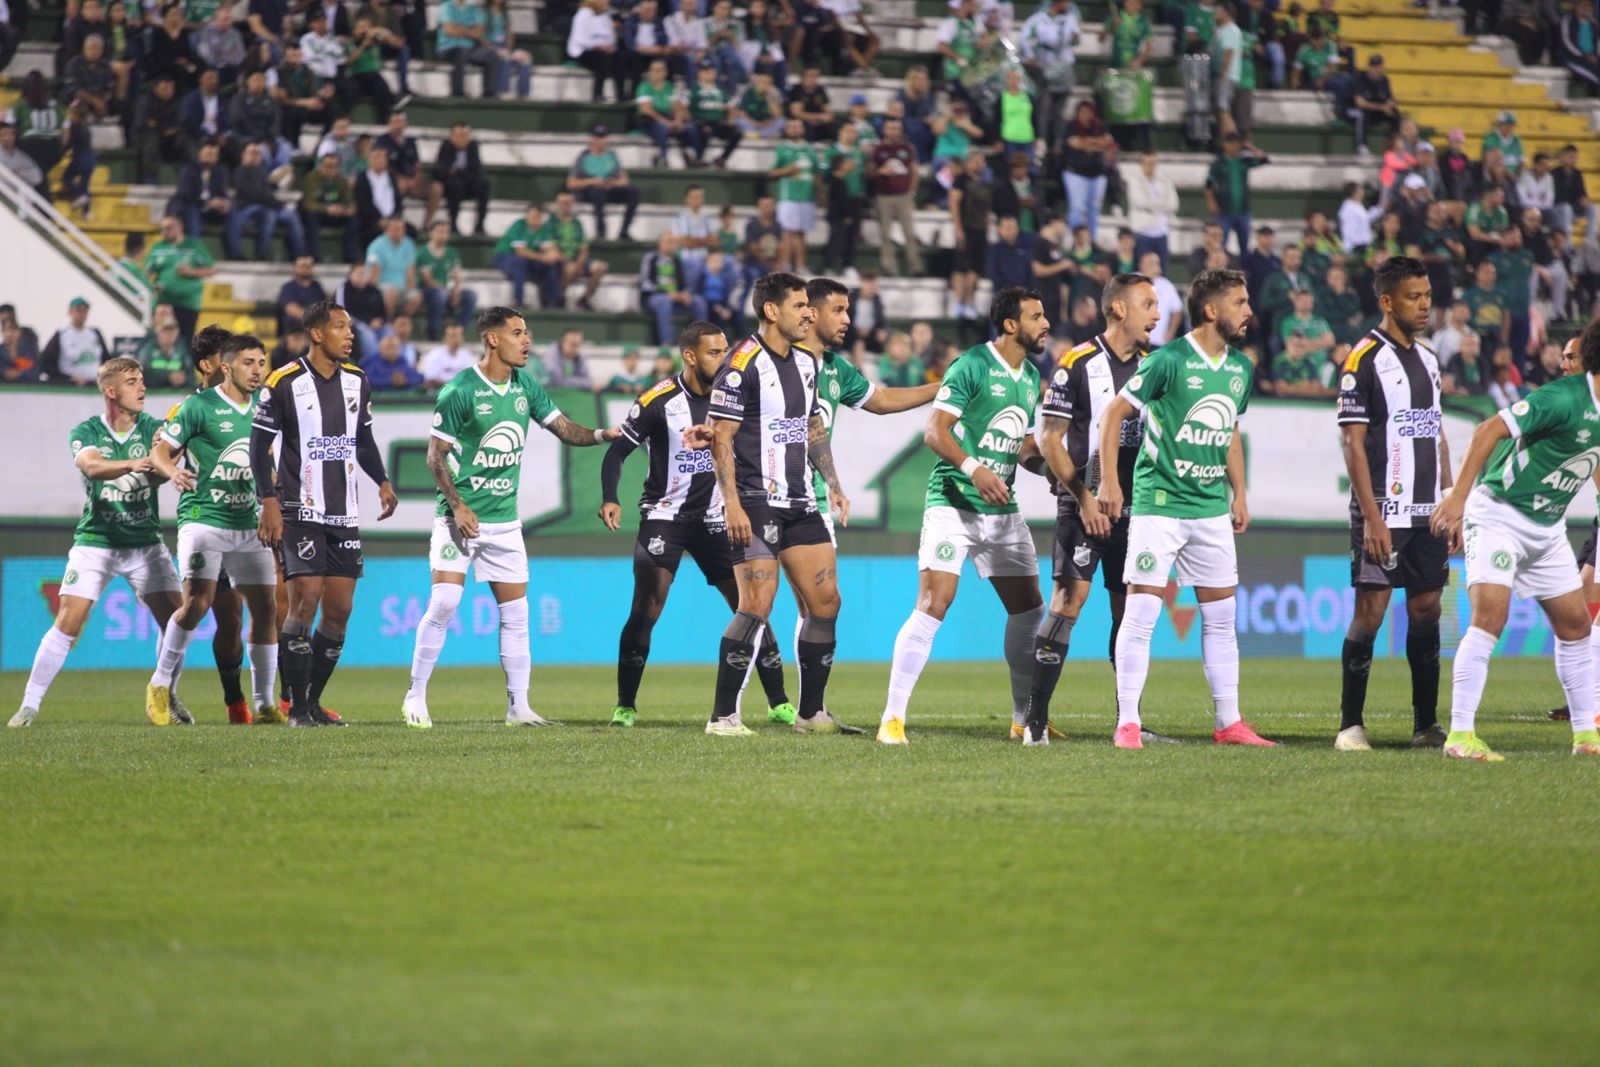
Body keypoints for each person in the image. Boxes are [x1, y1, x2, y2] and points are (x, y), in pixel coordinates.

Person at [401, 307, 617, 728]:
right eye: (517, 333)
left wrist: (599, 436)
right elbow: (434, 457)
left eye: (527, 333)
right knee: (444, 602)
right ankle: (415, 695)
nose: (527, 341)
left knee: (516, 613)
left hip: (504, 521)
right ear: (493, 339)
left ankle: (519, 706)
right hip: (457, 519)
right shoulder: (460, 389)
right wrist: (458, 505)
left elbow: (563, 428)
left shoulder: (525, 386)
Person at [1093, 269, 1274, 748]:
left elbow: (1229, 430)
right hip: (1160, 505)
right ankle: (1128, 722)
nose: (1248, 311)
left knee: (1220, 616)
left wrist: (1241, 493)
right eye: (1239, 302)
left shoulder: (1240, 368)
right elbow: (1113, 415)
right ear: (1212, 310)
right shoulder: (1168, 361)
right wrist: (1111, 480)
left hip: (1211, 507)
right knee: (1142, 611)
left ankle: (1229, 722)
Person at [598, 322, 797, 726]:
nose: (722, 360)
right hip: (665, 518)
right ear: (689, 356)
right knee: (646, 609)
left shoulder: (739, 397)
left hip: (717, 519)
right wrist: (610, 497)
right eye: (713, 353)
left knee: (752, 608)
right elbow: (617, 453)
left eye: (725, 351)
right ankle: (625, 705)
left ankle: (779, 702)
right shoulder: (659, 400)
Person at [876, 287, 1048, 744]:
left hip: (1002, 509)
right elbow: (935, 431)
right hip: (953, 501)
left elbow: (1025, 444)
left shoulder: (1030, 376)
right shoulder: (972, 364)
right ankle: (892, 720)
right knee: (935, 603)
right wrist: (974, 469)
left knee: (1030, 610)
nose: (1045, 323)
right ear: (1010, 324)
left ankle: (1022, 719)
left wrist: (1047, 468)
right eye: (1036, 316)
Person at [1427, 319, 1600, 760]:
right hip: (1498, 514)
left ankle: (1586, 736)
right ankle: (1460, 736)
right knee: (1490, 619)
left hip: (1546, 528)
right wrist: (1458, 500)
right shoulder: (1562, 398)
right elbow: (1486, 431)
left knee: (1577, 627)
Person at [1024, 273, 1168, 744]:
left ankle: (1130, 721)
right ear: (1120, 309)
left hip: (1141, 508)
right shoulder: (1078, 363)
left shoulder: (1159, 364)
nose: (1158, 313)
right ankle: (1035, 722)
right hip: (1085, 507)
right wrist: (1083, 498)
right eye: (1148, 304)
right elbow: (1048, 438)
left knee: (1131, 613)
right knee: (1069, 603)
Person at [703, 273, 847, 736]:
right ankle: (723, 716)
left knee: (826, 602)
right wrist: (731, 504)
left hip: (800, 500)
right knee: (757, 604)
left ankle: (812, 712)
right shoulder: (741, 364)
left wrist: (834, 482)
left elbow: (812, 426)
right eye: (801, 305)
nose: (810, 313)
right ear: (771, 311)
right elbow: (720, 438)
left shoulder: (807, 363)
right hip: (753, 500)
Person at [9, 359, 185, 728]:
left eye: (142, 381)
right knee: (68, 621)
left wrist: (166, 461)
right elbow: (91, 467)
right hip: (97, 541)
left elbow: (165, 460)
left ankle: (165, 694)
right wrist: (136, 462)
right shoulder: (87, 430)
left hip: (145, 543)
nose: (142, 388)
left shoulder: (154, 428)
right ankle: (29, 705)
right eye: (132, 382)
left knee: (177, 621)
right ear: (111, 391)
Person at [251, 303, 397, 727]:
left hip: (343, 512)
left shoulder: (358, 380)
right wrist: (269, 501)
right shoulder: (283, 382)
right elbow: (258, 448)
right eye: (340, 328)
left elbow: (362, 438)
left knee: (339, 611)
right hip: (299, 508)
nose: (350, 335)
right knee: (305, 602)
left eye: (350, 328)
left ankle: (313, 701)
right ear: (316, 334)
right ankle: (294, 707)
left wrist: (382, 481)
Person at [1332, 257, 1452, 750]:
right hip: (1383, 510)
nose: (1424, 305)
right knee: (1371, 610)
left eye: (1426, 295)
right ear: (1387, 301)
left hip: (1427, 510)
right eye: (1413, 297)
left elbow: (1437, 432)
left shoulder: (1429, 358)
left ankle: (1425, 724)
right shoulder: (1363, 360)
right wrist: (1373, 517)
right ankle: (1350, 725)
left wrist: (1448, 499)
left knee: (1427, 607)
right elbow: (1353, 444)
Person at [143, 335, 280, 727]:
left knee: (266, 608)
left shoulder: (266, 408)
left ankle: (265, 702)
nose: (257, 371)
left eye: (261, 362)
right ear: (227, 367)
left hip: (247, 522)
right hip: (204, 519)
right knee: (198, 604)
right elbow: (160, 452)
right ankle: (160, 684)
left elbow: (271, 459)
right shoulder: (197, 407)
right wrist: (172, 472)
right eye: (249, 363)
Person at [226, 141, 305, 260]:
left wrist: (279, 201)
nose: (254, 156)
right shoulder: (239, 171)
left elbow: (267, 193)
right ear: (243, 155)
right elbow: (253, 194)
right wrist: (276, 203)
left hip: (266, 206)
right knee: (270, 214)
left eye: (257, 153)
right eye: (251, 153)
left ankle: (299, 255)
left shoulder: (262, 171)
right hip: (247, 208)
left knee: (291, 216)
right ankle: (262, 253)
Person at [143, 214, 215, 343]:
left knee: (186, 339)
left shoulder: (193, 246)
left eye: (169, 228)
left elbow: (211, 269)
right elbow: (147, 271)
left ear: (180, 227)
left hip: (188, 302)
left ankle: (185, 362)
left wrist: (191, 271)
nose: (165, 232)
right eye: (163, 229)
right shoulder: (158, 248)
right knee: (162, 338)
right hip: (164, 302)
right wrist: (151, 287)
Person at [1019, 0, 1078, 157]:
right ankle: (1042, 139)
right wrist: (1031, 56)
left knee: (1060, 109)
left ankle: (1058, 143)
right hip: (1045, 68)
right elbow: (1025, 40)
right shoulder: (1037, 20)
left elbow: (1077, 38)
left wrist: (1073, 37)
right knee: (1044, 107)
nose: (1069, 4)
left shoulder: (1069, 19)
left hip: (1064, 69)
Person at [869, 116, 923, 277]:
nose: (894, 132)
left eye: (897, 128)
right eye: (891, 128)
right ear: (885, 130)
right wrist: (880, 172)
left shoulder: (907, 148)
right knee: (885, 233)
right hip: (884, 196)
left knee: (909, 232)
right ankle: (889, 267)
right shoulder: (878, 149)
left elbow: (914, 171)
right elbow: (870, 171)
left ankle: (915, 266)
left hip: (903, 196)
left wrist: (912, 191)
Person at [566, 125, 641, 241]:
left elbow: (624, 180)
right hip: (589, 191)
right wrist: (593, 181)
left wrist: (613, 183)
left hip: (610, 189)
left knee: (634, 192)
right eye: (597, 137)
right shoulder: (583, 157)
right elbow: (571, 183)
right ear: (591, 139)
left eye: (603, 137)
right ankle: (601, 232)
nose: (600, 141)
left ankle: (624, 231)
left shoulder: (612, 156)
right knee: (597, 190)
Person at [1205, 132, 1269, 256]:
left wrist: (1251, 147)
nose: (1234, 147)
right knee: (1220, 244)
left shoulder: (1244, 161)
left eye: (1237, 144)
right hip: (1224, 211)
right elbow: (1209, 183)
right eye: (1231, 144)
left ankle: (1245, 271)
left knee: (1245, 246)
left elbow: (1264, 160)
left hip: (1243, 211)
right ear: (1225, 145)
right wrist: (1211, 201)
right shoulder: (1217, 164)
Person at [639, 232, 708, 345]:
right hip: (654, 297)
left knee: (699, 302)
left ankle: (700, 342)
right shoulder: (650, 258)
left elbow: (683, 284)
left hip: (675, 298)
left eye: (674, 242)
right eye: (668, 242)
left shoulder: (677, 260)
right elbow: (645, 283)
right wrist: (667, 294)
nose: (671, 245)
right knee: (664, 302)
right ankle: (668, 343)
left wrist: (685, 294)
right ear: (660, 244)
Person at [771, 118, 819, 273]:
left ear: (803, 129)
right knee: (788, 232)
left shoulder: (810, 149)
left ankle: (800, 265)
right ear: (786, 130)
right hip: (788, 195)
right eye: (791, 127)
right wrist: (787, 170)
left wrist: (819, 193)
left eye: (797, 126)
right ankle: (786, 265)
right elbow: (773, 172)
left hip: (807, 195)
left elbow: (817, 173)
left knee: (801, 232)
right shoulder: (782, 148)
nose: (794, 129)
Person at [417, 220, 479, 339]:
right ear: (431, 233)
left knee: (470, 296)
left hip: (446, 290)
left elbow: (456, 274)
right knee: (440, 295)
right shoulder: (423, 252)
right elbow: (427, 280)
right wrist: (446, 291)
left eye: (446, 232)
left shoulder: (452, 252)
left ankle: (457, 330)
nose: (443, 235)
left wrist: (455, 291)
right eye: (440, 232)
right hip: (428, 291)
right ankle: (433, 330)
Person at [948, 151, 992, 320]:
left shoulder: (985, 183)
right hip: (965, 228)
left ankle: (969, 302)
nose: (978, 164)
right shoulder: (961, 181)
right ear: (968, 163)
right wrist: (958, 228)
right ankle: (958, 302)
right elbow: (954, 203)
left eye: (981, 161)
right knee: (960, 267)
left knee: (975, 268)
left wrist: (987, 229)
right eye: (975, 161)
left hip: (980, 231)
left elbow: (987, 210)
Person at [298, 151, 360, 264]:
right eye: (327, 166)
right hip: (318, 214)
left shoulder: (341, 180)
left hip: (336, 214)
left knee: (353, 220)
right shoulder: (311, 178)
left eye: (334, 167)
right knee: (311, 217)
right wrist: (326, 209)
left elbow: (350, 201)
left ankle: (352, 256)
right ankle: (314, 255)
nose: (330, 170)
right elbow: (307, 203)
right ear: (320, 165)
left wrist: (346, 209)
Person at [433, 122, 491, 236]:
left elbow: (476, 168)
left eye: (465, 135)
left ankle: (480, 224)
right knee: (454, 184)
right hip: (452, 186)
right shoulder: (446, 146)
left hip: (469, 183)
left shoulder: (473, 146)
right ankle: (453, 224)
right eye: (458, 136)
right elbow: (441, 171)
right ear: (451, 137)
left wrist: (457, 172)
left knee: (484, 184)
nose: (462, 139)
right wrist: (457, 173)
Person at [438, 0, 502, 98]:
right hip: (448, 48)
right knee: (461, 52)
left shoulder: (472, 9)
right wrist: (468, 30)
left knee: (491, 55)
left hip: (469, 49)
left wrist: (458, 28)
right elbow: (449, 30)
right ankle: (458, 93)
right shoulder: (446, 6)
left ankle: (489, 94)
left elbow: (478, 33)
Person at [364, 214, 422, 321]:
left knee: (416, 297)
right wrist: (370, 293)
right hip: (382, 285)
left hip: (402, 286)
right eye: (396, 229)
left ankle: (403, 322)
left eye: (402, 229)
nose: (400, 232)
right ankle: (388, 322)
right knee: (391, 292)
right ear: (387, 230)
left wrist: (412, 289)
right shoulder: (376, 246)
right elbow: (374, 273)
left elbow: (410, 270)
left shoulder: (408, 244)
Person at [39, 297, 109, 386]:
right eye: (78, 310)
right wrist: (67, 378)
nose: (82, 314)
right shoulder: (62, 334)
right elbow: (46, 363)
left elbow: (106, 359)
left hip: (95, 385)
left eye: (85, 311)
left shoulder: (95, 333)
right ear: (70, 312)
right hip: (71, 386)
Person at [138, 318, 191, 388]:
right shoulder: (148, 349)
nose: (169, 334)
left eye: (172, 330)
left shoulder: (182, 350)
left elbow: (191, 375)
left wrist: (184, 379)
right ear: (157, 331)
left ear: (177, 332)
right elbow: (142, 373)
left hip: (176, 396)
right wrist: (168, 377)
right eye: (165, 330)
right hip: (151, 396)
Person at [420, 323, 478, 387]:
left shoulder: (466, 355)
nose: (456, 339)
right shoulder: (435, 354)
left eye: (459, 336)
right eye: (453, 336)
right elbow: (430, 379)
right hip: (439, 390)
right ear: (444, 338)